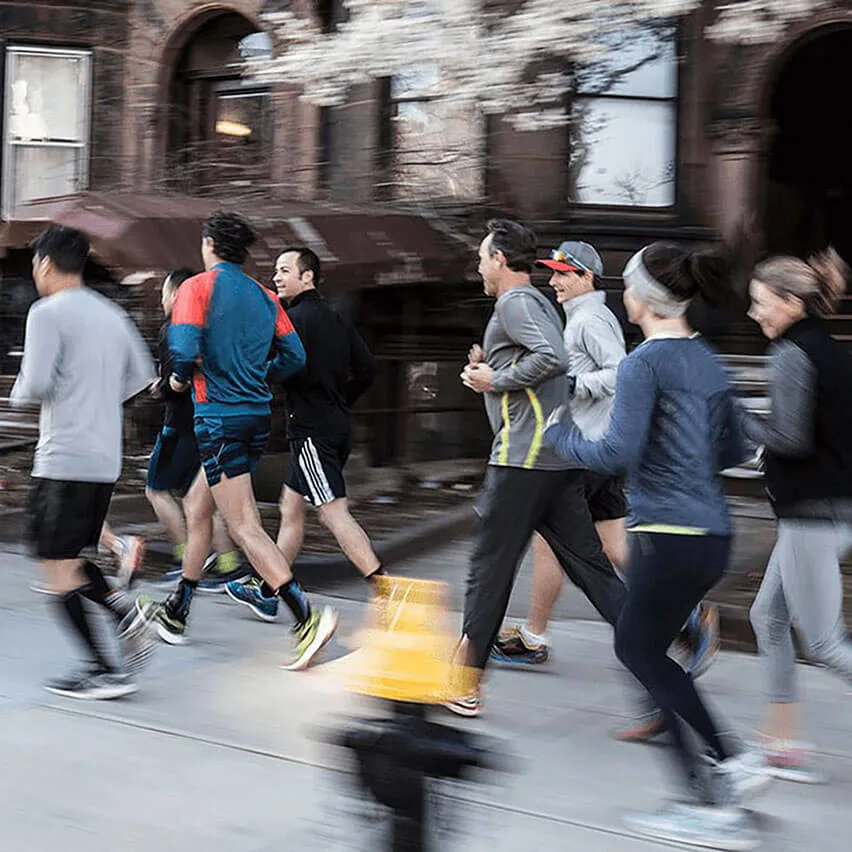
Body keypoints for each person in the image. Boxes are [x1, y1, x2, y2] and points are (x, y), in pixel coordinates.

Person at [546, 242, 770, 850]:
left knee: (640, 652)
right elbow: (736, 449)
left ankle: (714, 784)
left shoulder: (646, 363)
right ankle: (723, 770)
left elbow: (616, 451)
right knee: (647, 651)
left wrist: (560, 433)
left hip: (669, 534)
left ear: (640, 297)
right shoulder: (704, 357)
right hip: (712, 535)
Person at [493, 239, 720, 741]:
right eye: (552, 274)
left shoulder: (589, 320)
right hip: (590, 455)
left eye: (563, 275)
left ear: (588, 278)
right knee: (606, 549)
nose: (554, 282)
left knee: (580, 561)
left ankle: (657, 651)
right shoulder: (578, 316)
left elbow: (620, 372)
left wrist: (573, 386)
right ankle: (682, 620)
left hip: (586, 457)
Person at [136, 212, 337, 670]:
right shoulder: (265, 296)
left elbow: (183, 350)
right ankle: (178, 611)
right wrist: (259, 376)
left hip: (218, 419)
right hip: (255, 418)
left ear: (209, 244)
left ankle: (305, 619)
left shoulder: (197, 288)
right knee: (197, 506)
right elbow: (295, 355)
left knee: (244, 526)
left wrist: (181, 380)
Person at [445, 219, 628, 718]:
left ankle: (465, 683)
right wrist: (491, 367)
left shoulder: (516, 302)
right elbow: (544, 358)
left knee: (489, 571)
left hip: (523, 462)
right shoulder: (540, 304)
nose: (480, 267)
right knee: (592, 571)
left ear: (500, 261)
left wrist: (495, 378)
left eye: (483, 258)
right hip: (555, 459)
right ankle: (656, 655)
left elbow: (552, 360)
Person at [11, 224, 156, 699]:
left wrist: (23, 395)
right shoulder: (112, 313)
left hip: (63, 457)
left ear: (47, 265)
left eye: (35, 264)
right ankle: (124, 614)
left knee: (56, 570)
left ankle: (105, 669)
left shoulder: (47, 312)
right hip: (102, 457)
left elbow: (33, 384)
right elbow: (141, 376)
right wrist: (95, 400)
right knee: (72, 558)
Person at [224, 247, 382, 622]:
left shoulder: (290, 321)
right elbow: (368, 368)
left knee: (332, 513)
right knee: (290, 508)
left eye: (284, 270)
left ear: (307, 276)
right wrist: (338, 400)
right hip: (336, 425)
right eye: (275, 271)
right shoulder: (337, 319)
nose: (277, 277)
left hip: (311, 432)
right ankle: (266, 590)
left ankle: (387, 592)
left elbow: (269, 368)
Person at [743, 248, 852, 784]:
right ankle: (781, 742)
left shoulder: (791, 353)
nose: (752, 313)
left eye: (760, 303)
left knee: (828, 643)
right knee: (768, 618)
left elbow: (789, 437)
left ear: (791, 302)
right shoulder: (828, 350)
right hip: (824, 508)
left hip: (814, 513)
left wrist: (735, 417)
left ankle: (782, 741)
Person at [145, 268, 246, 592]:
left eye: (164, 292)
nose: (162, 299)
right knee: (202, 500)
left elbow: (177, 381)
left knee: (156, 490)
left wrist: (160, 387)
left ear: (176, 295)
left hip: (179, 427)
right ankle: (229, 567)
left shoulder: (174, 329)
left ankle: (185, 558)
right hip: (211, 424)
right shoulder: (211, 330)